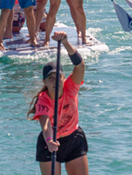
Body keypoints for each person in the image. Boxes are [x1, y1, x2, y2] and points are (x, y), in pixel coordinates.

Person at [29, 32, 89, 174]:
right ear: (44, 81)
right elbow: (46, 125)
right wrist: (49, 141)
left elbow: (80, 66)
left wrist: (66, 44)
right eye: (50, 78)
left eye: (58, 77)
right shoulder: (43, 100)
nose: (55, 81)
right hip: (49, 142)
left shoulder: (71, 87)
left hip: (74, 139)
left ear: (63, 78)